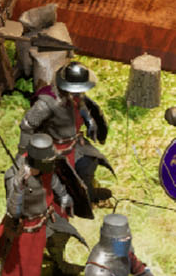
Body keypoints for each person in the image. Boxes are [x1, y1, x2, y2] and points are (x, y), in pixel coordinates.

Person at [0, 134, 85, 276]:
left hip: (47, 220)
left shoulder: (44, 166)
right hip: (24, 229)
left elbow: (53, 181)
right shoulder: (15, 177)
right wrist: (19, 188)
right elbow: (14, 211)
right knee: (8, 270)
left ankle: (60, 269)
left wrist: (64, 196)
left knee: (58, 240)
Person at [19, 61, 110, 213]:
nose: (78, 92)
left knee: (89, 163)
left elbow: (81, 105)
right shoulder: (46, 103)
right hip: (54, 149)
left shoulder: (74, 95)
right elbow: (27, 125)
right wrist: (23, 153)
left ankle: (89, 193)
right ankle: (73, 203)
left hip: (74, 143)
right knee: (57, 180)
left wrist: (89, 121)